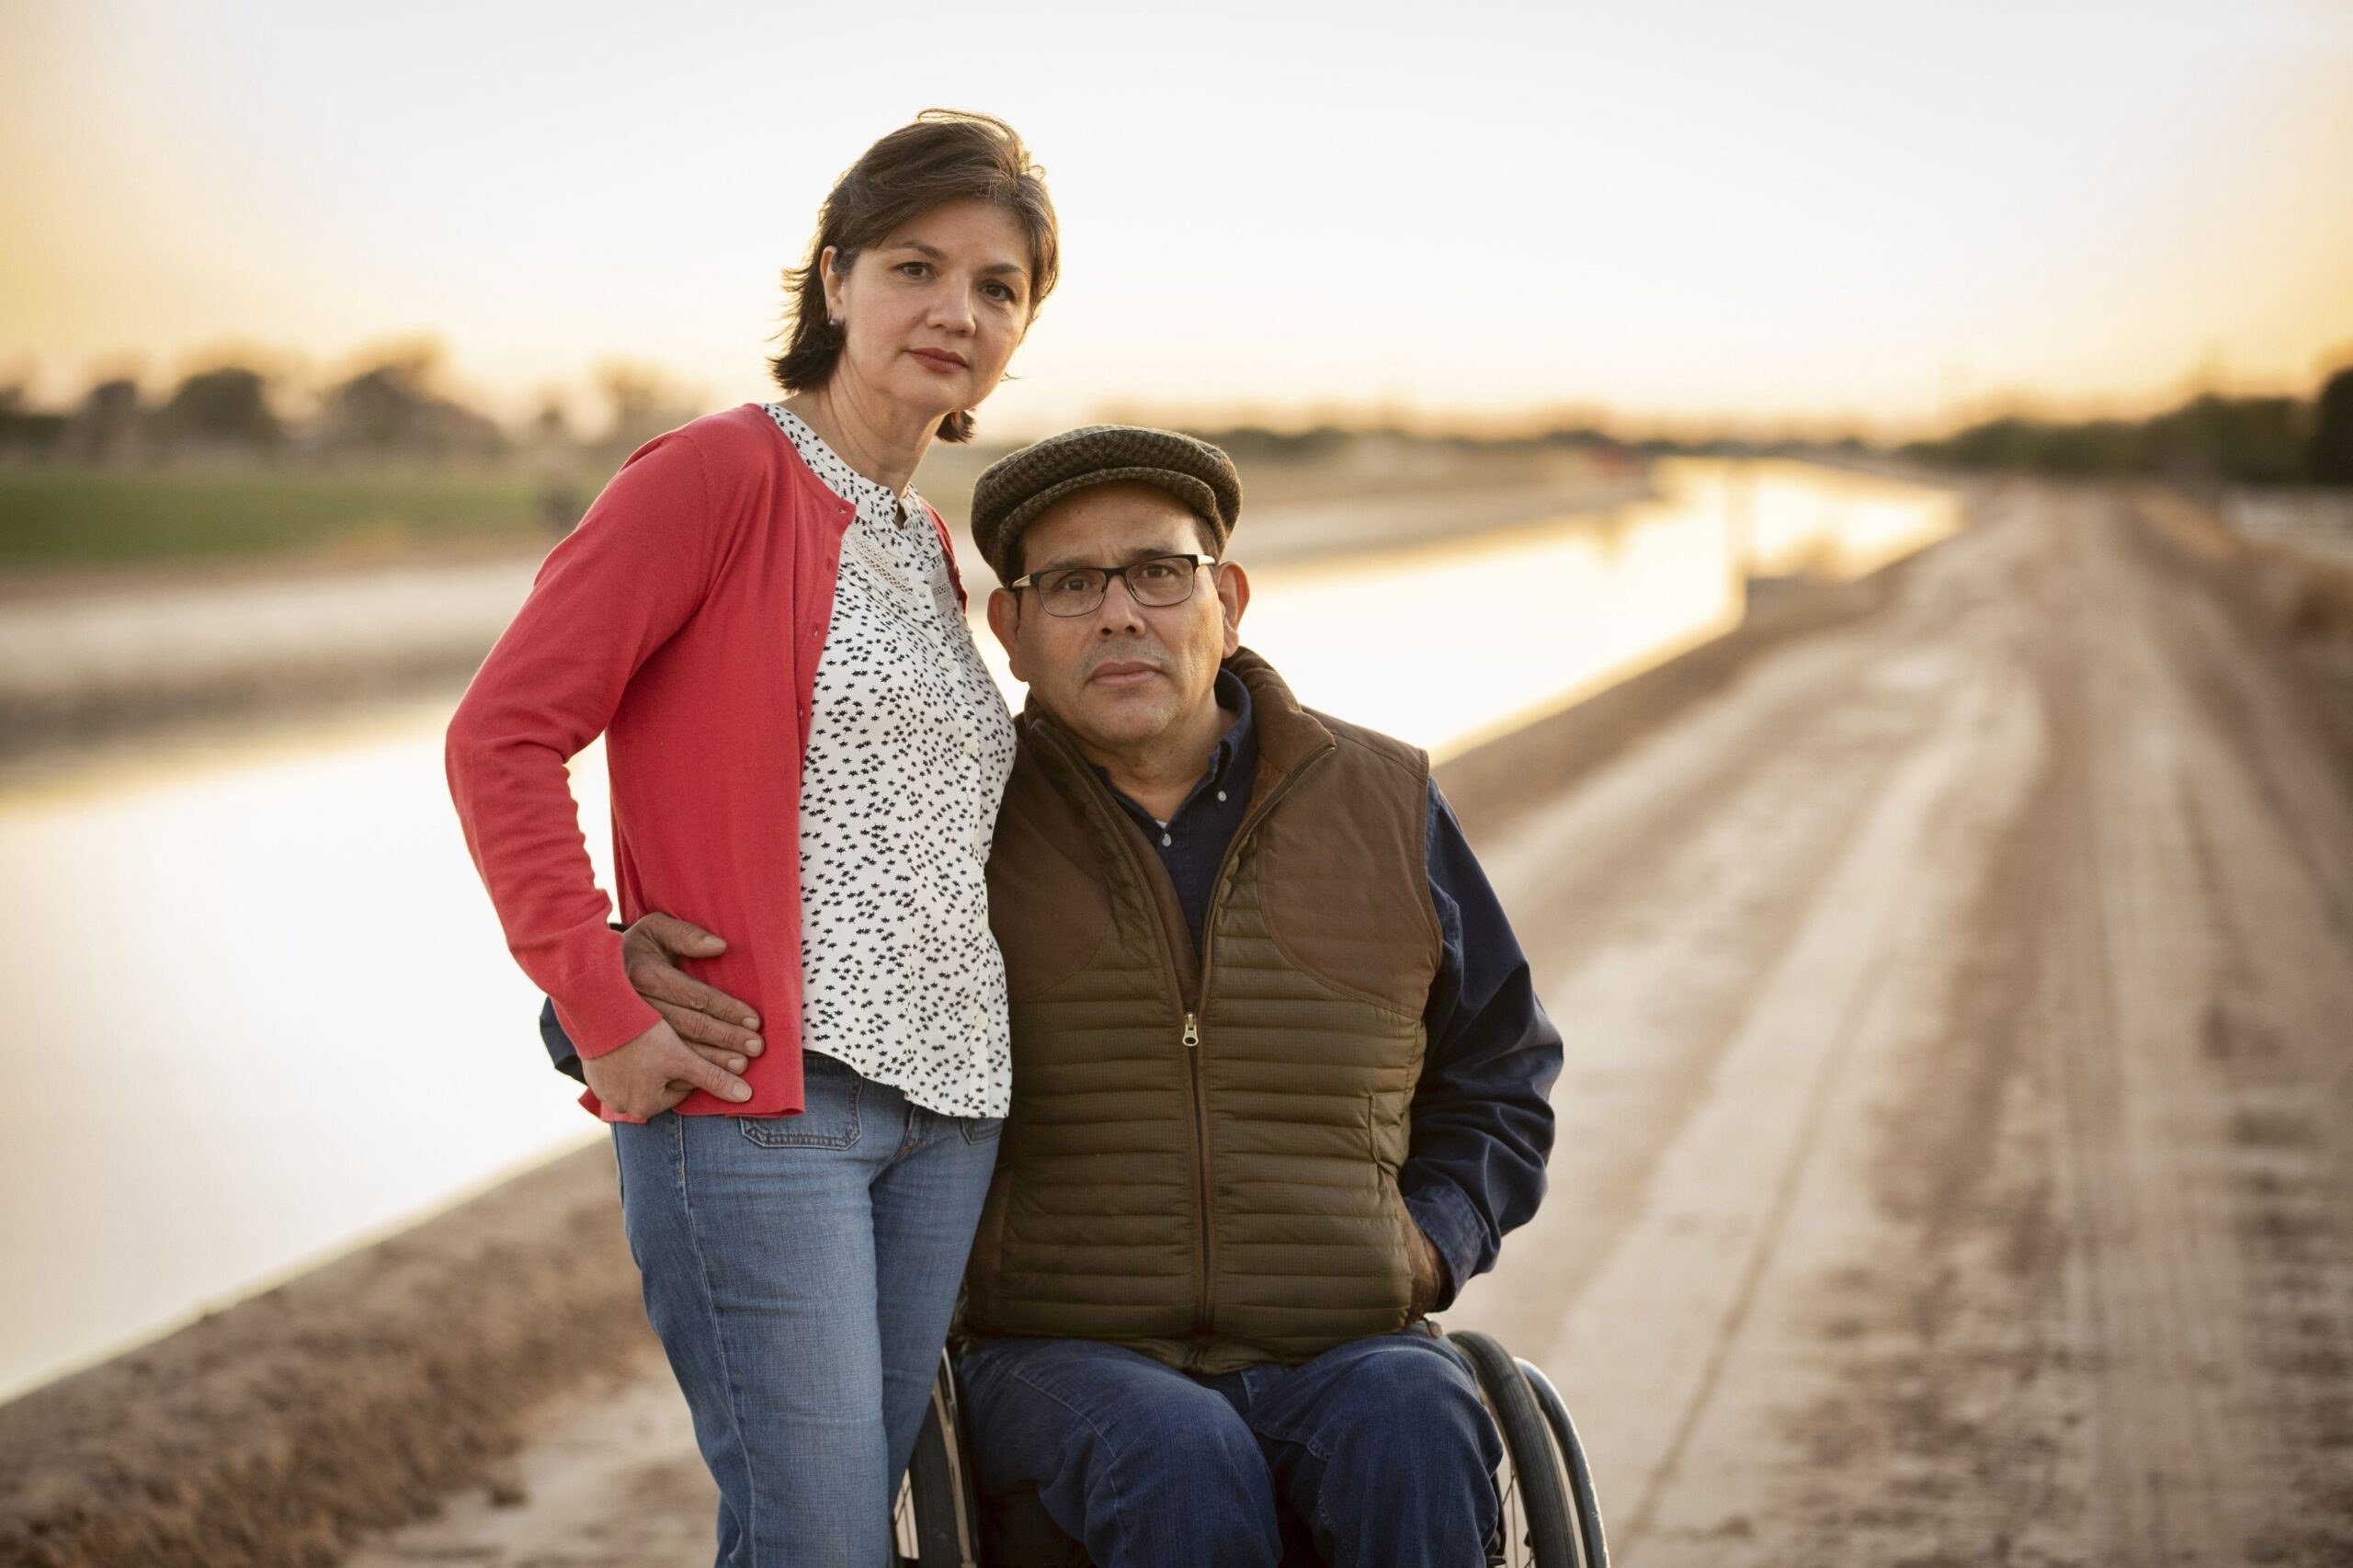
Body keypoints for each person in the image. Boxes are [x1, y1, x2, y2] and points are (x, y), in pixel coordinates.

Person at [585, 426, 1563, 1567]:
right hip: (1061, 1354)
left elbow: (1499, 1069)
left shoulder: (1384, 802)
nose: (1119, 614)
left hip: (1346, 1333)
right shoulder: (941, 818)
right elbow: (778, 953)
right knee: (1173, 1449)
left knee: (1418, 1421)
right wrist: (601, 988)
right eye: (1070, 585)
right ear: (1009, 631)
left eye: (1159, 571)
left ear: (1228, 597)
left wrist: (1430, 1241)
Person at [445, 110, 1058, 1568]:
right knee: (819, 1538)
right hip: (761, 1108)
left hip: (948, 1115)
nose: (955, 311)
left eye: (999, 287)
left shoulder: (927, 542)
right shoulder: (714, 476)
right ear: (836, 279)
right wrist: (596, 993)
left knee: (863, 1530)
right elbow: (503, 736)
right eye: (919, 266)